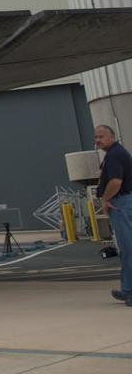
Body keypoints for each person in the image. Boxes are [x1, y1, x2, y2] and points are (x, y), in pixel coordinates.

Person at [95, 124, 132, 306]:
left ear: (112, 136)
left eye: (101, 136)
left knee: (128, 248)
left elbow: (116, 181)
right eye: (96, 137)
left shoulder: (114, 155)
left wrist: (106, 199)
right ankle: (127, 289)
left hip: (121, 203)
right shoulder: (115, 154)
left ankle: (130, 291)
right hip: (124, 201)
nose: (98, 140)